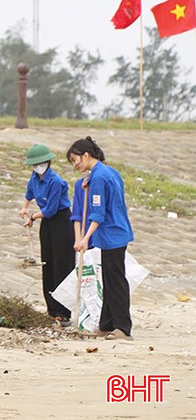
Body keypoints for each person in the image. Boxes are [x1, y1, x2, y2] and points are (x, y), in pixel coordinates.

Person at [67, 137, 134, 340]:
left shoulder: (98, 178)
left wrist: (85, 238)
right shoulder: (108, 172)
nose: (75, 165)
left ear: (86, 155)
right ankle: (106, 324)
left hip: (112, 233)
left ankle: (123, 327)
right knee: (110, 279)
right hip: (117, 232)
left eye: (75, 160)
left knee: (116, 281)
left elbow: (98, 213)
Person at [19, 144, 75, 326]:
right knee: (48, 264)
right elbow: (29, 194)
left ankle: (64, 312)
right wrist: (25, 208)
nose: (38, 167)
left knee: (62, 265)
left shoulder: (56, 181)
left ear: (48, 162)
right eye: (35, 164)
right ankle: (51, 310)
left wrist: (32, 217)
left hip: (61, 221)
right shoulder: (34, 178)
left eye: (41, 163)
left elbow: (50, 210)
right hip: (47, 223)